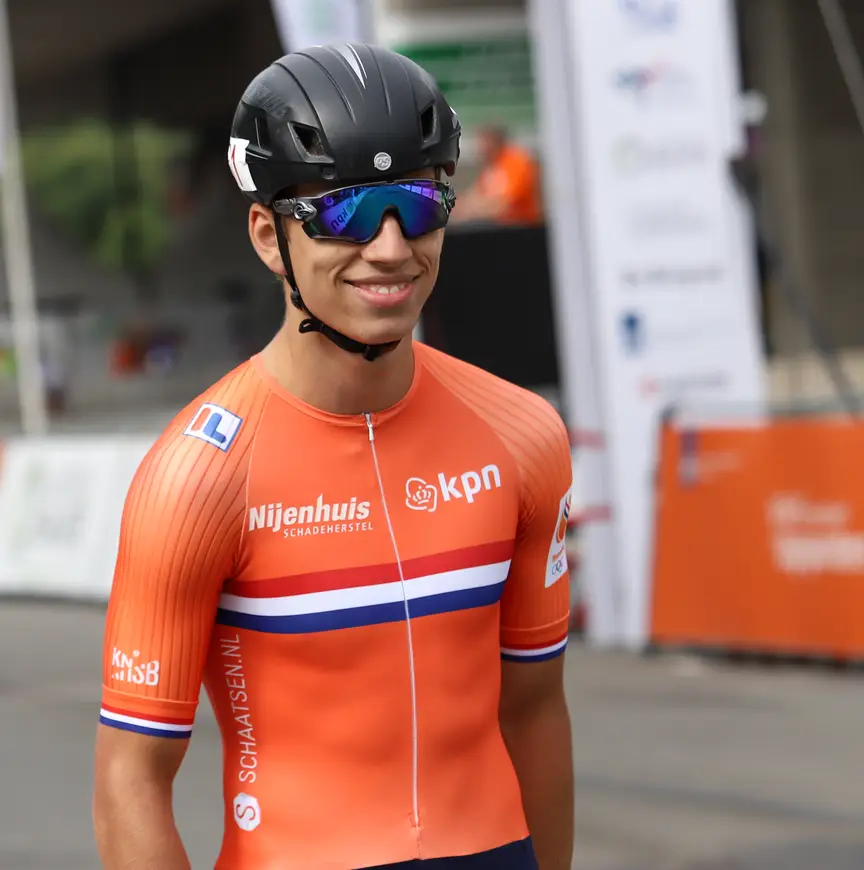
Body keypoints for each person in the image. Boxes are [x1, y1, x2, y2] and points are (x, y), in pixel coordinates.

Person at [93, 43, 574, 870]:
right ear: (267, 237)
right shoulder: (199, 477)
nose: (390, 248)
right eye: (346, 212)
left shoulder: (523, 436)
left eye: (416, 205)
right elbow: (130, 781)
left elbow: (535, 710)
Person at [450, 124, 543, 226]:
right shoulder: (491, 166)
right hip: (499, 224)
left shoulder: (517, 162)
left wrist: (472, 210)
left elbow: (505, 205)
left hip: (522, 225)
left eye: (482, 142)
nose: (478, 148)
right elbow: (473, 196)